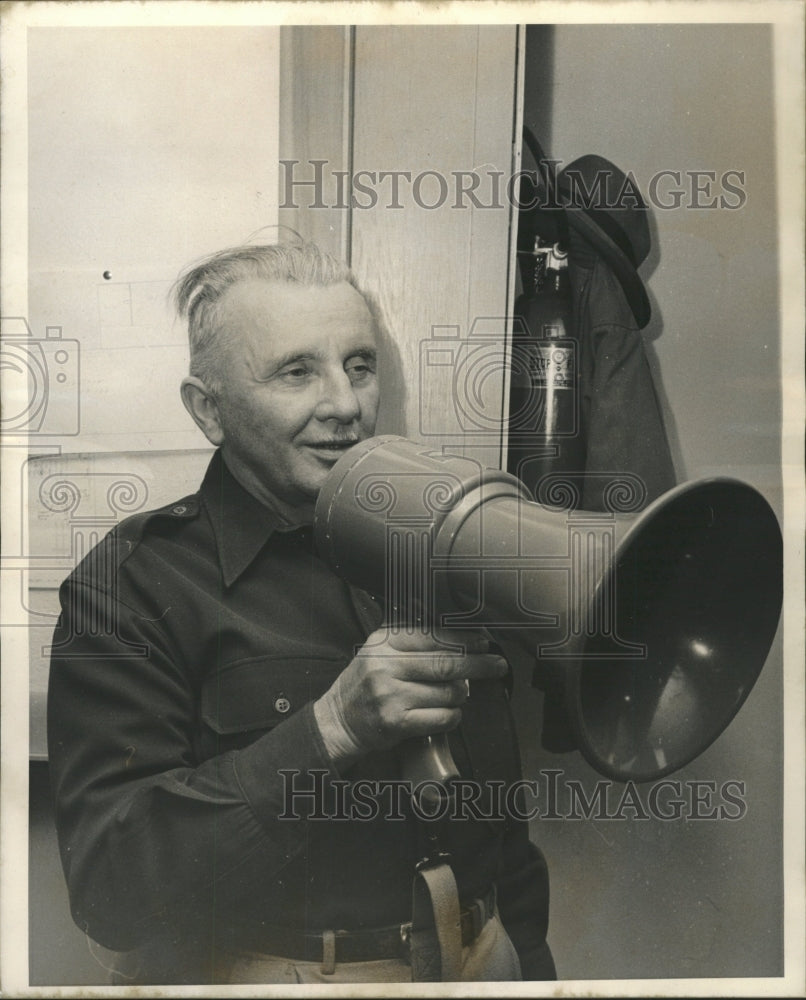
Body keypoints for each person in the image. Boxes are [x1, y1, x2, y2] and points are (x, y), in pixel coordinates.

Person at [47, 242, 556, 985]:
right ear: (208, 410)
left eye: (360, 364)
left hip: (482, 959)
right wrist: (330, 731)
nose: (346, 406)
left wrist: (537, 970)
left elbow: (505, 838)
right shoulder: (130, 585)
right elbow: (111, 890)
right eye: (296, 372)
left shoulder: (433, 548)